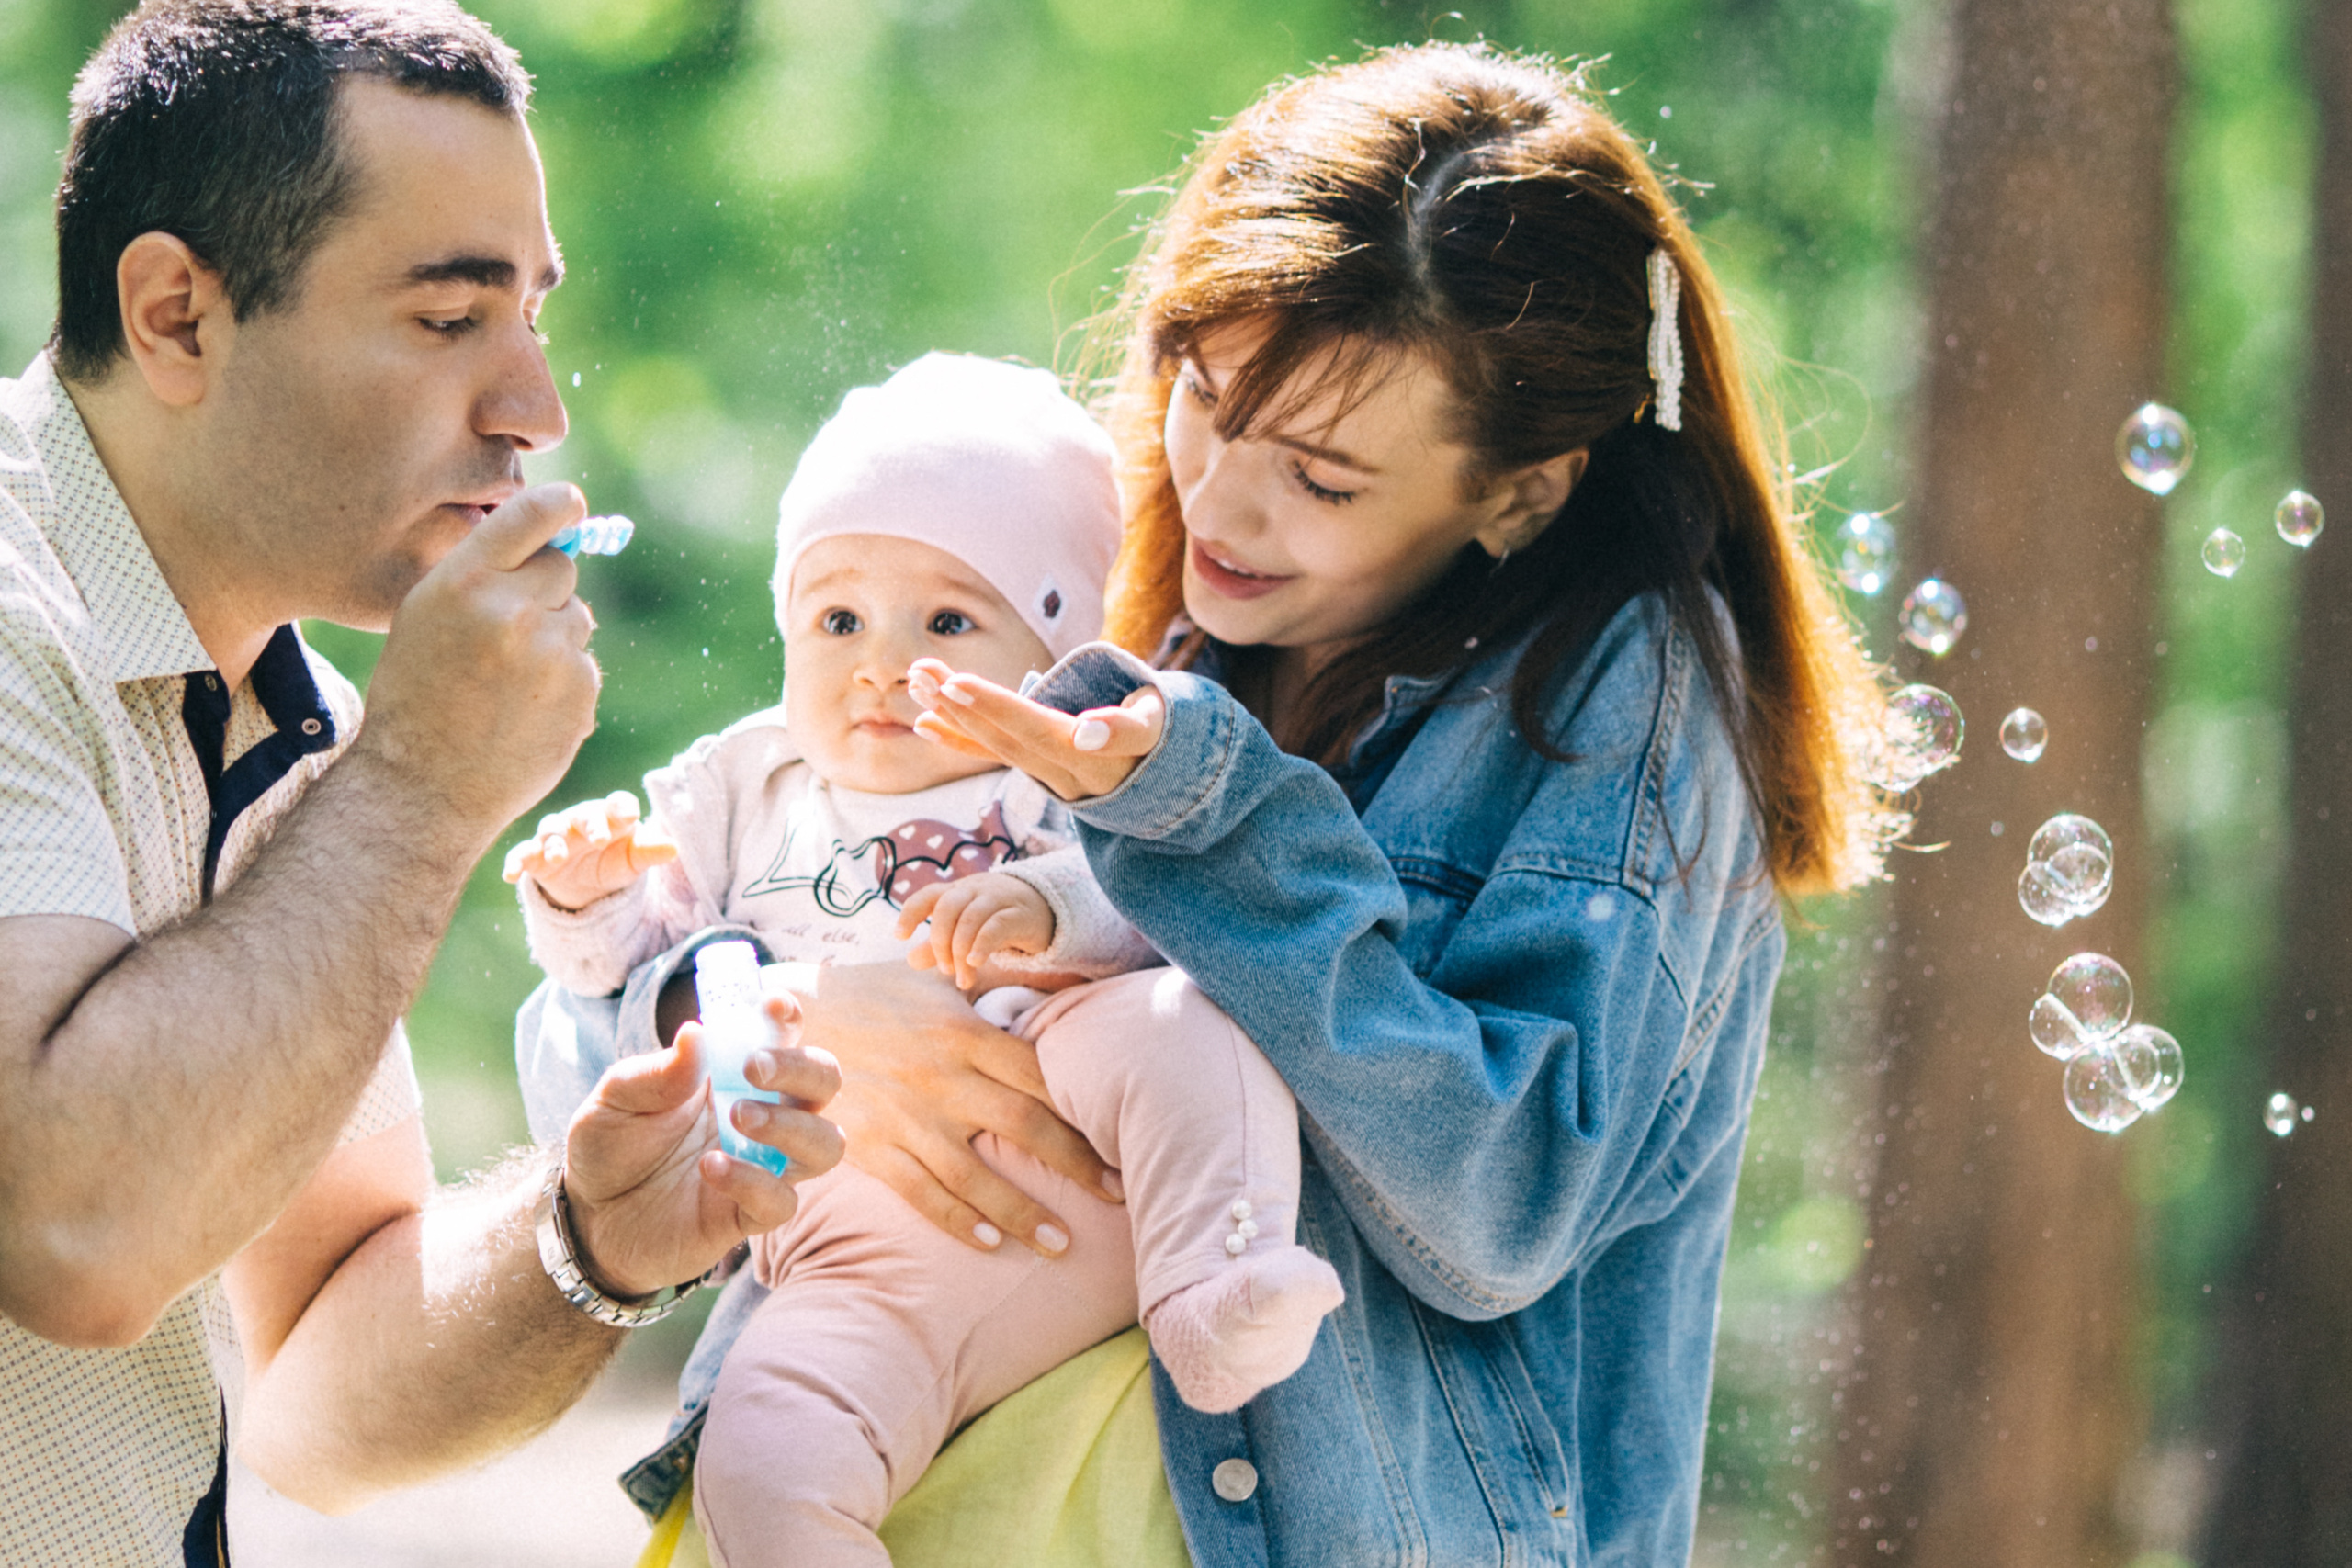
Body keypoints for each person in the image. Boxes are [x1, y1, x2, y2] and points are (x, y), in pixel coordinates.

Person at [531, 39, 1895, 1568]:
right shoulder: (1150, 633)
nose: (1224, 506)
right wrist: (778, 1008)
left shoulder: (1621, 698)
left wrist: (1215, 823)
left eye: (1320, 478)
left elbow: (1497, 1212)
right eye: (1204, 398)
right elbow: (596, 1061)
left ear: (1523, 490)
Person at [0, 5, 842, 1564]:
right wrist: (424, 786)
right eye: (452, 320)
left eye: (532, 313)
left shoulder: (295, 711)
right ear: (179, 315)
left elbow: (318, 1393)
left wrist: (591, 1242)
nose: (536, 411)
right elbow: (74, 1235)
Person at [506, 353, 1344, 1567]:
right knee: (768, 1439)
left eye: (948, 620)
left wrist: (1054, 903)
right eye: (837, 618)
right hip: (853, 1260)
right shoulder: (744, 792)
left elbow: (1177, 906)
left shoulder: (1067, 763)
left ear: (1050, 649)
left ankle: (1221, 1283)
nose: (881, 662)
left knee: (1174, 1027)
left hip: (1090, 1160)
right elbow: (643, 988)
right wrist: (587, 902)